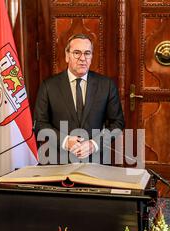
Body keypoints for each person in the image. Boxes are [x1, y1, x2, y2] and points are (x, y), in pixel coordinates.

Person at [34, 33, 125, 163]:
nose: (82, 58)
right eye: (77, 53)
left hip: (95, 160)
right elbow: (40, 124)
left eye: (87, 53)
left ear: (91, 56)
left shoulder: (106, 85)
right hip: (58, 160)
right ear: (67, 56)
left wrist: (94, 144)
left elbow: (118, 122)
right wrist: (65, 141)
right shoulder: (48, 86)